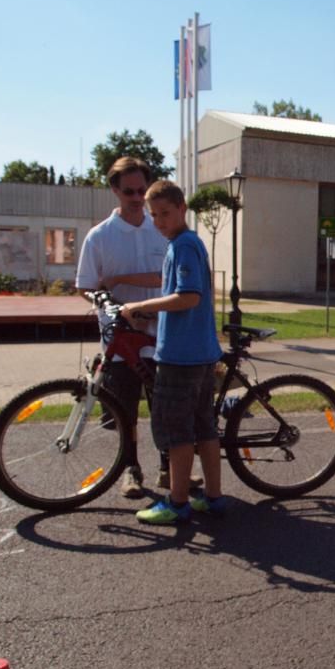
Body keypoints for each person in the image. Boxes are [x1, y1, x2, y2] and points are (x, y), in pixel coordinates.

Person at [120, 180, 225, 524]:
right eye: (154, 215)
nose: (159, 220)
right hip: (201, 353)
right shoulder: (185, 244)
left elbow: (189, 296)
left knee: (177, 432)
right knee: (204, 428)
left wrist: (142, 304)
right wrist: (151, 310)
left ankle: (177, 502)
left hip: (181, 357)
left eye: (166, 213)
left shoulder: (183, 245)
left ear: (182, 209)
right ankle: (213, 497)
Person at [75, 156, 171, 498]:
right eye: (128, 190)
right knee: (124, 412)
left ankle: (168, 467)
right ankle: (131, 469)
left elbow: (168, 277)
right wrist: (104, 300)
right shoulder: (99, 236)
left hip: (161, 335)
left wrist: (120, 279)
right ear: (115, 190)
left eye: (141, 190)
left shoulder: (160, 228)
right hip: (120, 339)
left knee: (165, 406)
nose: (135, 197)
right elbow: (85, 284)